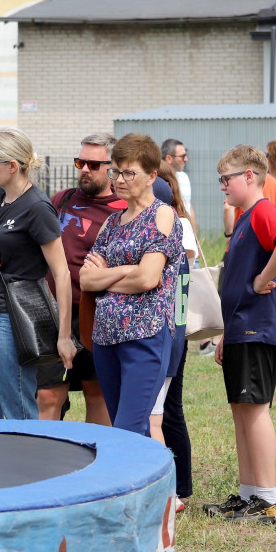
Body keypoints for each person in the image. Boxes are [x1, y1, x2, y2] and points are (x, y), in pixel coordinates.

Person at [204, 145, 276, 524]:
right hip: (241, 327)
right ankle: (249, 494)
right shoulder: (245, 217)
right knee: (241, 409)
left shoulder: (262, 210)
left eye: (226, 178)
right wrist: (227, 332)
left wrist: (263, 277)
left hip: (257, 326)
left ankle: (269, 500)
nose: (222, 186)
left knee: (255, 409)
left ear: (249, 176)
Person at [80, 133, 182, 437]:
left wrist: (108, 275)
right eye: (115, 171)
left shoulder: (162, 214)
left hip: (145, 338)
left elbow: (148, 278)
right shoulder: (111, 222)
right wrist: (127, 270)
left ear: (151, 175)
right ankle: (158, 486)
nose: (119, 180)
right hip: (106, 339)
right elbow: (86, 279)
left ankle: (160, 486)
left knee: (129, 431)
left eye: (128, 172)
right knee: (126, 430)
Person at [0, 128, 76, 420]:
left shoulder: (38, 208)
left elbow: (62, 273)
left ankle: (27, 465)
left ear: (12, 166)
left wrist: (64, 336)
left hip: (11, 315)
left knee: (16, 405)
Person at [38, 133, 124, 425]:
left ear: (112, 168)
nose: (84, 169)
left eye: (92, 164)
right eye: (80, 162)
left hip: (96, 314)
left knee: (98, 394)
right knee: (48, 395)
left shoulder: (122, 210)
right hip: (53, 313)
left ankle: (99, 466)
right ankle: (44, 464)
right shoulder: (62, 200)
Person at [154, 166, 196, 512]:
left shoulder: (169, 241)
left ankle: (173, 489)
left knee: (162, 415)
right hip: (175, 336)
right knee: (169, 413)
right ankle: (179, 486)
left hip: (168, 338)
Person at [161, 139, 193, 219]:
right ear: (169, 159)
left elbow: (189, 207)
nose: (186, 159)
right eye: (182, 156)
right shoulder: (160, 182)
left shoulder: (184, 177)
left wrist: (193, 230)